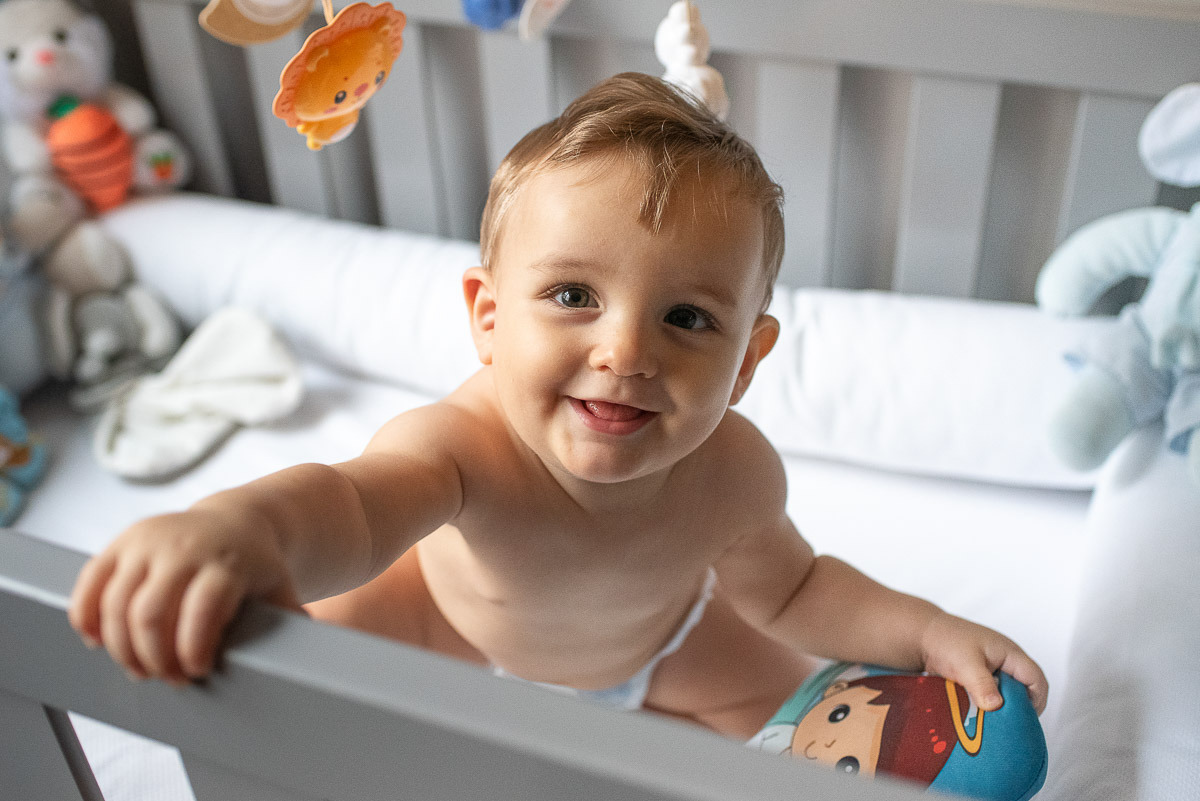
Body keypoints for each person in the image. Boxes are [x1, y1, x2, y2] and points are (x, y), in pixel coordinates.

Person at [68, 72, 1047, 740]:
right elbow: (354, 507)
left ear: (747, 364)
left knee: (792, 714)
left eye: (688, 318)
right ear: (488, 321)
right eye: (574, 296)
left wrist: (923, 633)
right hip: (443, 632)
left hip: (655, 651)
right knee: (312, 680)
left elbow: (793, 593)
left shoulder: (735, 472)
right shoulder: (457, 446)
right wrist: (236, 530)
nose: (624, 352)